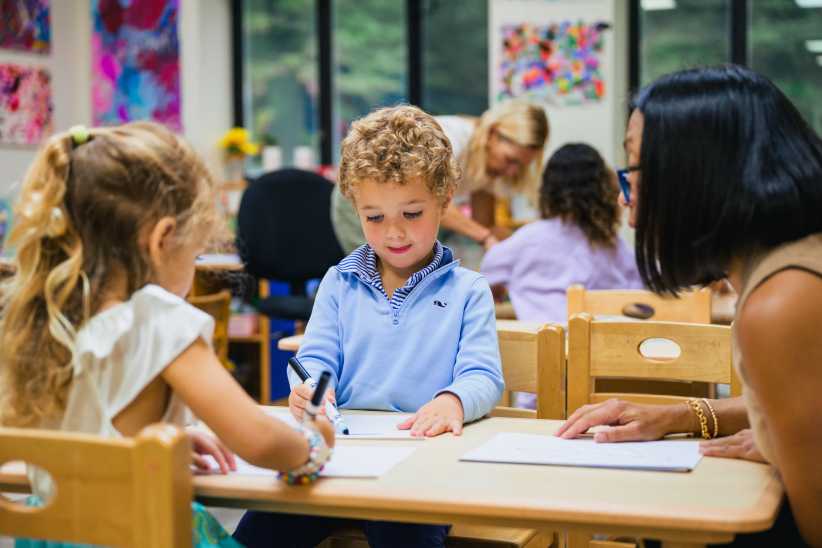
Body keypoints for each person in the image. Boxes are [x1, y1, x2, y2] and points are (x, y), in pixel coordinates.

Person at [0, 122, 335, 548]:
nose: (194, 266)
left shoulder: (36, 315)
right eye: (195, 253)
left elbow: (83, 434)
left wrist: (143, 447)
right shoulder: (158, 320)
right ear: (161, 240)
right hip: (139, 534)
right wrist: (314, 440)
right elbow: (262, 442)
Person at [557, 65, 822, 546]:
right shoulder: (788, 267)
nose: (623, 197)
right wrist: (679, 416)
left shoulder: (783, 302)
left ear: (693, 177)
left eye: (633, 170)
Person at [234, 105, 504, 548]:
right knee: (260, 529)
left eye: (412, 214)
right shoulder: (338, 282)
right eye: (374, 217)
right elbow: (316, 359)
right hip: (338, 457)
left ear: (445, 199)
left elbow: (483, 375)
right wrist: (313, 394)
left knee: (405, 535)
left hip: (419, 463)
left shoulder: (469, 290)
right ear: (355, 207)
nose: (394, 233)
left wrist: (453, 400)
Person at [331, 101, 549, 266]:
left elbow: (484, 225)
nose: (511, 171)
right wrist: (484, 236)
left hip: (398, 207)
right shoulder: (452, 138)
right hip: (364, 199)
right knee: (382, 276)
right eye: (510, 160)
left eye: (520, 166)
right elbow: (430, 202)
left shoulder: (489, 167)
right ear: (493, 134)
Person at [480, 142, 641, 323]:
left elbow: (487, 272)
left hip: (543, 345)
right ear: (603, 190)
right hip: (600, 344)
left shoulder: (528, 239)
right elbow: (641, 291)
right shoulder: (611, 244)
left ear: (548, 190)